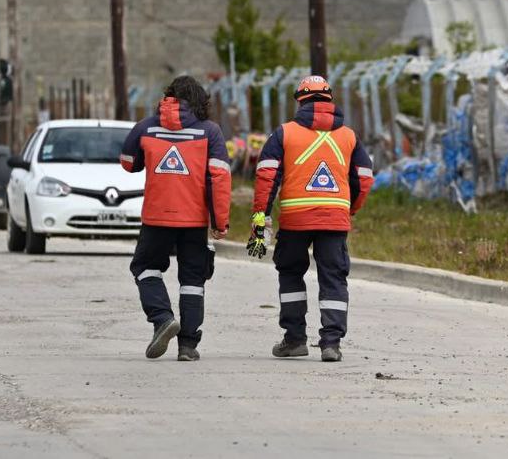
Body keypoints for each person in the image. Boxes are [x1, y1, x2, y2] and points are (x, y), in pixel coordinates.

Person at [248, 75, 374, 362]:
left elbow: (266, 176)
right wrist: (349, 208)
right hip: (334, 219)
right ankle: (331, 344)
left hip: (294, 220)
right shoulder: (350, 136)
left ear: (300, 100)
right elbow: (364, 179)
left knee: (291, 274)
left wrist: (260, 218)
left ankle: (294, 340)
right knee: (333, 278)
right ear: (330, 99)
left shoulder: (284, 133)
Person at [120, 75, 231, 361]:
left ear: (168, 97)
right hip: (194, 220)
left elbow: (128, 163)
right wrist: (220, 222)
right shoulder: (210, 132)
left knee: (145, 267)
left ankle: (162, 318)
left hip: (156, 217)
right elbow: (218, 179)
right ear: (201, 102)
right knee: (193, 279)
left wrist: (154, 157)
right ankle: (188, 346)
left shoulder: (146, 127)